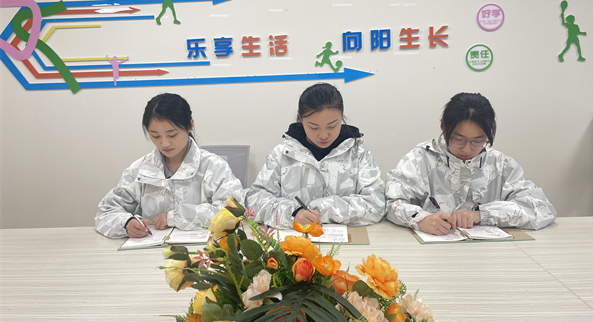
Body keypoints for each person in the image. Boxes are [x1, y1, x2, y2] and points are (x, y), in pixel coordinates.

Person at [385, 92, 556, 235]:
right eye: (458, 139)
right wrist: (421, 219)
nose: (467, 149)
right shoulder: (419, 159)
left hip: (488, 255)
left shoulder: (501, 164)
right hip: (433, 252)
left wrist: (481, 215)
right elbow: (392, 203)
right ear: (443, 126)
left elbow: (541, 209)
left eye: (477, 141)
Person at [95, 93, 244, 238]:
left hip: (204, 250)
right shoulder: (139, 170)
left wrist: (176, 217)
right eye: (155, 136)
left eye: (172, 135)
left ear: (190, 125)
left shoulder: (214, 167)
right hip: (148, 250)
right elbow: (106, 212)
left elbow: (234, 211)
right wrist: (126, 223)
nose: (164, 143)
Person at [246, 83, 385, 229]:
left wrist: (323, 209)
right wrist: (293, 213)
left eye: (332, 126)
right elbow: (255, 200)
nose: (323, 135)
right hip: (294, 239)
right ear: (300, 117)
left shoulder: (358, 154)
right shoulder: (282, 154)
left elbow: (376, 205)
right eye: (313, 127)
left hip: (347, 239)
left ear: (341, 115)